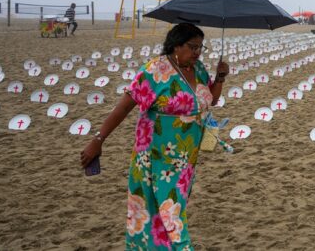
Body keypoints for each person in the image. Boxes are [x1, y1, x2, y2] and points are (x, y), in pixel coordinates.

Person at [80, 23, 228, 249]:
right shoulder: (154, 71)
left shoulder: (198, 70)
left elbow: (211, 99)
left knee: (171, 207)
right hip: (155, 155)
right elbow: (123, 107)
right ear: (176, 46)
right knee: (166, 208)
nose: (198, 52)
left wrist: (220, 78)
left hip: (185, 158)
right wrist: (98, 140)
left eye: (201, 48)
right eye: (193, 47)